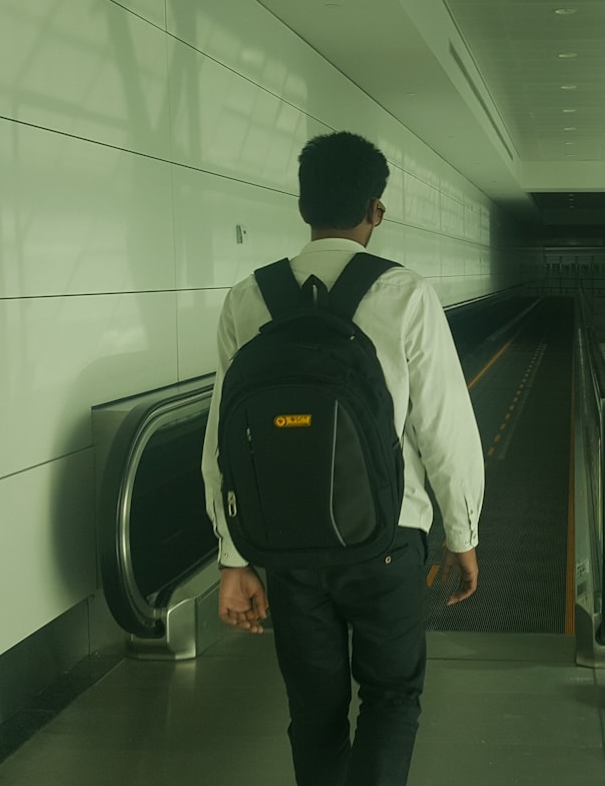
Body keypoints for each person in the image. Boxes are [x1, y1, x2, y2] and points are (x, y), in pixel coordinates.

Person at [200, 131, 485, 786]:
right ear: (375, 210)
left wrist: (232, 558)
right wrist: (461, 533)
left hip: (288, 551)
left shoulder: (249, 298)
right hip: (388, 539)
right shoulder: (406, 295)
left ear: (303, 206)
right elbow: (443, 428)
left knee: (314, 712)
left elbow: (222, 439)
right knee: (392, 698)